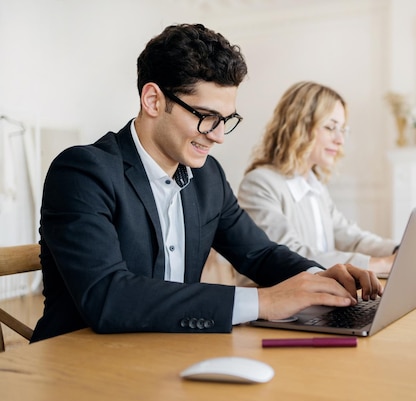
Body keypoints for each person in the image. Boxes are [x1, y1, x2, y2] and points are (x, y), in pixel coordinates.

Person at [31, 25, 381, 343]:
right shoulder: (82, 172)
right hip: (81, 361)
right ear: (153, 100)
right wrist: (265, 301)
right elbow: (108, 297)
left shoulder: (207, 176)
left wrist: (320, 278)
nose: (217, 136)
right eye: (206, 117)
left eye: (225, 120)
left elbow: (259, 253)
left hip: (170, 352)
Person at [237, 81, 416, 282]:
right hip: (277, 306)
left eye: (342, 129)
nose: (340, 140)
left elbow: (350, 236)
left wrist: (401, 249)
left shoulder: (314, 185)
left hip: (315, 298)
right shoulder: (260, 183)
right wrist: (382, 264)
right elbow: (290, 255)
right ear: (299, 126)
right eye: (330, 127)